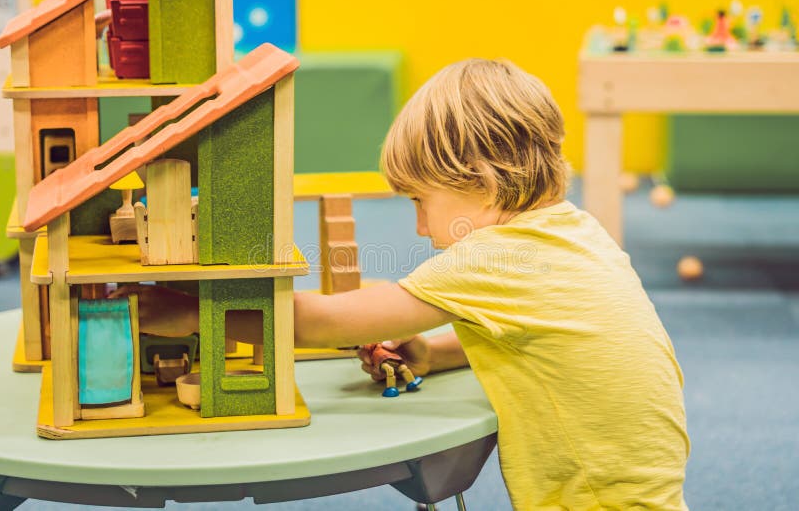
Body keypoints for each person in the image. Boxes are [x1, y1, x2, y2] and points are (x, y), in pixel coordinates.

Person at [118, 58, 689, 510]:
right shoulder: (575, 230)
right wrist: (431, 353)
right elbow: (548, 337)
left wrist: (193, 313)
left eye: (422, 201)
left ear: (482, 185)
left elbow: (330, 321)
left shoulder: (493, 257)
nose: (418, 227)